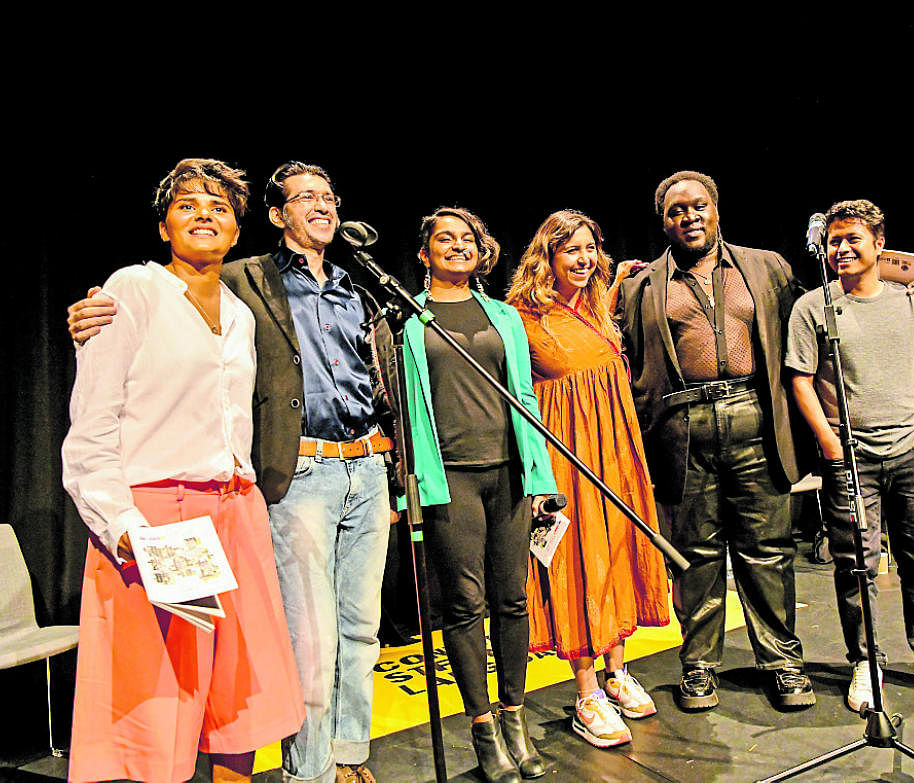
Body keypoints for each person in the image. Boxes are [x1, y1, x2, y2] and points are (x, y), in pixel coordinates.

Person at [67, 162, 394, 783]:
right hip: (157, 512)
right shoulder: (133, 290)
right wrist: (123, 526)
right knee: (161, 693)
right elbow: (90, 431)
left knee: (238, 692)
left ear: (238, 229)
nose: (204, 216)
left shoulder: (243, 313)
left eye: (218, 207)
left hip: (236, 508)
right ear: (163, 224)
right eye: (187, 205)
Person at [616, 170, 817, 711]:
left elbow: (813, 320)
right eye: (676, 210)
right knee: (695, 556)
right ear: (664, 222)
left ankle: (783, 663)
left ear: (716, 209)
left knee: (767, 551)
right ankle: (699, 666)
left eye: (698, 206)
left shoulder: (766, 266)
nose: (690, 217)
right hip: (683, 428)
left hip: (756, 416)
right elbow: (615, 348)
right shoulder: (640, 285)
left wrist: (895, 288)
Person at [785, 199, 914, 712]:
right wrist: (830, 445)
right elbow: (800, 381)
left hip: (910, 456)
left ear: (879, 244)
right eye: (834, 240)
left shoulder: (912, 303)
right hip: (850, 458)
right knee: (857, 566)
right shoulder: (813, 307)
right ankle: (865, 662)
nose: (842, 248)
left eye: (853, 238)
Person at [402, 207, 556, 783]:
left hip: (510, 474)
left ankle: (515, 718)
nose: (458, 247)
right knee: (466, 605)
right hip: (452, 481)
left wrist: (541, 477)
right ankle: (484, 729)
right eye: (445, 239)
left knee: (513, 599)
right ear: (424, 254)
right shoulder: (410, 323)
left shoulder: (504, 317)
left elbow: (524, 397)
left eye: (467, 239)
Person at [505, 210, 669, 748]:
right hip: (565, 462)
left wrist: (616, 280)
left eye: (590, 248)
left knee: (618, 554)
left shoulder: (599, 307)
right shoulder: (521, 318)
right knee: (577, 565)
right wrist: (535, 477)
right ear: (546, 257)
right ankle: (586, 693)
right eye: (571, 249)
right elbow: (515, 402)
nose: (583, 258)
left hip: (616, 456)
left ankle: (618, 672)